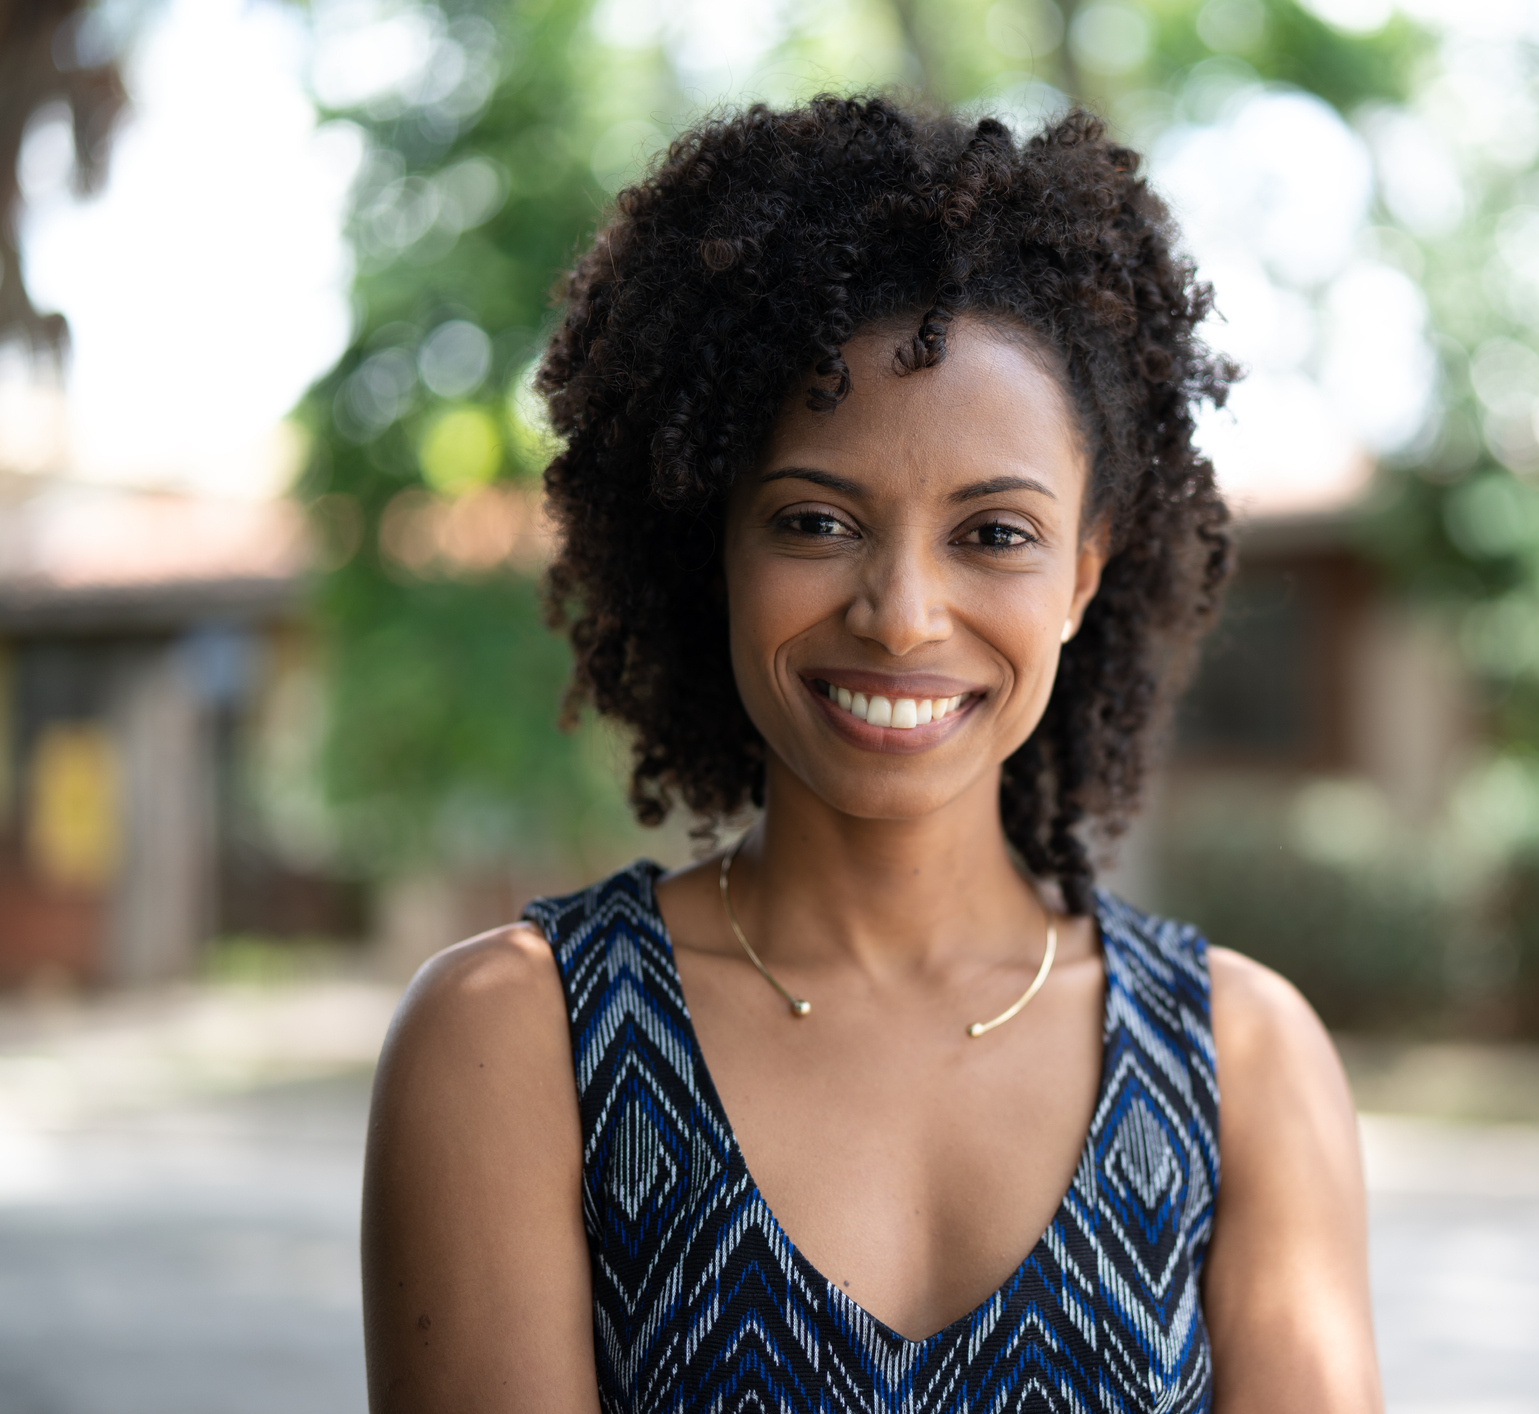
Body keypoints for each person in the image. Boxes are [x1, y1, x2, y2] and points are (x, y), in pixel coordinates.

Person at [361, 94, 1381, 1413]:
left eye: (994, 534)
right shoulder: (517, 1042)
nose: (901, 613)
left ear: (1083, 573)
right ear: (710, 540)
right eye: (815, 519)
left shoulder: (1239, 1064)